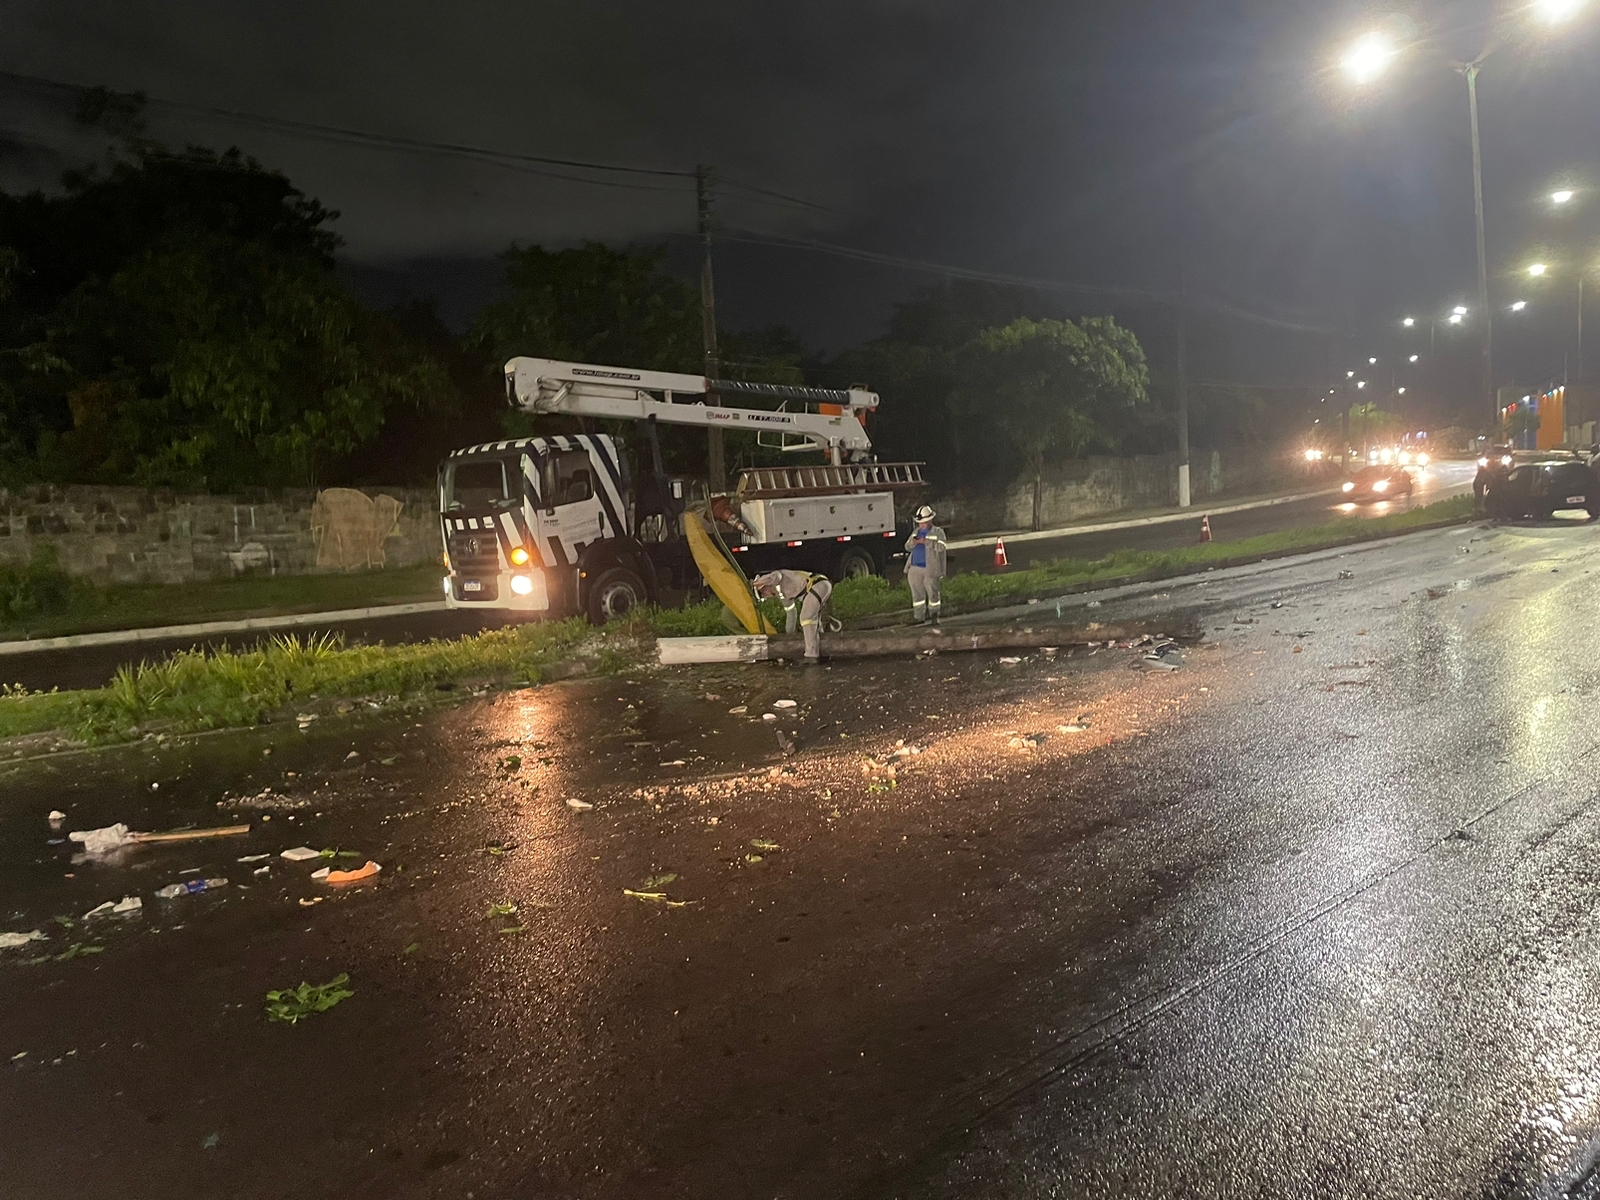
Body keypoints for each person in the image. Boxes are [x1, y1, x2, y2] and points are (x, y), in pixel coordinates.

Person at [752, 569, 833, 662]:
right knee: (814, 622)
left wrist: (758, 582)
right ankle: (824, 652)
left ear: (763, 587)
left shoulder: (777, 578)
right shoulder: (782, 595)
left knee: (806, 618)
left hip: (818, 585)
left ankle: (811, 655)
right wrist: (789, 636)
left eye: (762, 594)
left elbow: (775, 576)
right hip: (817, 589)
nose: (765, 597)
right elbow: (791, 614)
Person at [905, 504, 947, 624]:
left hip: (931, 569)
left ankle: (934, 615)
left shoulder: (938, 532)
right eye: (920, 523)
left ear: (930, 520)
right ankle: (919, 617)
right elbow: (907, 546)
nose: (922, 525)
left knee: (933, 593)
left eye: (924, 522)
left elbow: (942, 547)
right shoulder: (916, 532)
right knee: (917, 595)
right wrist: (913, 543)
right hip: (915, 568)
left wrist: (926, 542)